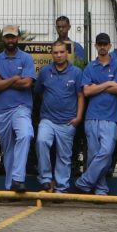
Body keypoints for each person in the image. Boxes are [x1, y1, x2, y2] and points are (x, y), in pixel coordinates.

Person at [0, 29, 39, 193]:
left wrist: (4, 80)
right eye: (7, 36)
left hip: (21, 108)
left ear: (18, 38)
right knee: (8, 150)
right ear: (3, 38)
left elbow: (27, 84)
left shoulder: (26, 58)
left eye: (13, 36)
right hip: (1, 111)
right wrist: (15, 78)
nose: (10, 39)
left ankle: (18, 178)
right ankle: (11, 188)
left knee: (25, 134)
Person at [74, 32, 117, 195]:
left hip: (111, 117)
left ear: (110, 46)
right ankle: (100, 189)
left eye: (105, 44)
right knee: (94, 155)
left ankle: (84, 182)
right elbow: (87, 91)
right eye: (99, 44)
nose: (102, 47)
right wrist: (109, 83)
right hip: (92, 116)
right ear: (96, 46)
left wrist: (98, 86)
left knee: (106, 152)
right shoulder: (90, 66)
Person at [33, 41, 83, 192]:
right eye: (55, 53)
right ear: (52, 54)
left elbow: (80, 96)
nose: (59, 55)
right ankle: (46, 180)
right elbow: (39, 92)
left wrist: (78, 118)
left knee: (64, 156)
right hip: (47, 119)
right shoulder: (44, 72)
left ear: (67, 53)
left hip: (68, 122)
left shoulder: (76, 72)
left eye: (61, 52)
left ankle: (62, 188)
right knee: (41, 142)